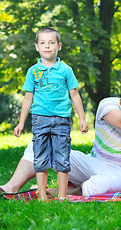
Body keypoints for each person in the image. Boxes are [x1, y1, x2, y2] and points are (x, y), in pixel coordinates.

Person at [13, 27, 88, 200]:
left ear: (59, 46)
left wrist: (82, 119)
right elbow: (27, 97)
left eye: (51, 42)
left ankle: (62, 197)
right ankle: (42, 197)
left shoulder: (66, 70)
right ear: (37, 47)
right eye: (43, 43)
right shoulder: (33, 71)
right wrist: (21, 123)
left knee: (62, 158)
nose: (47, 46)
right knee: (40, 158)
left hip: (62, 120)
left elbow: (75, 94)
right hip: (40, 119)